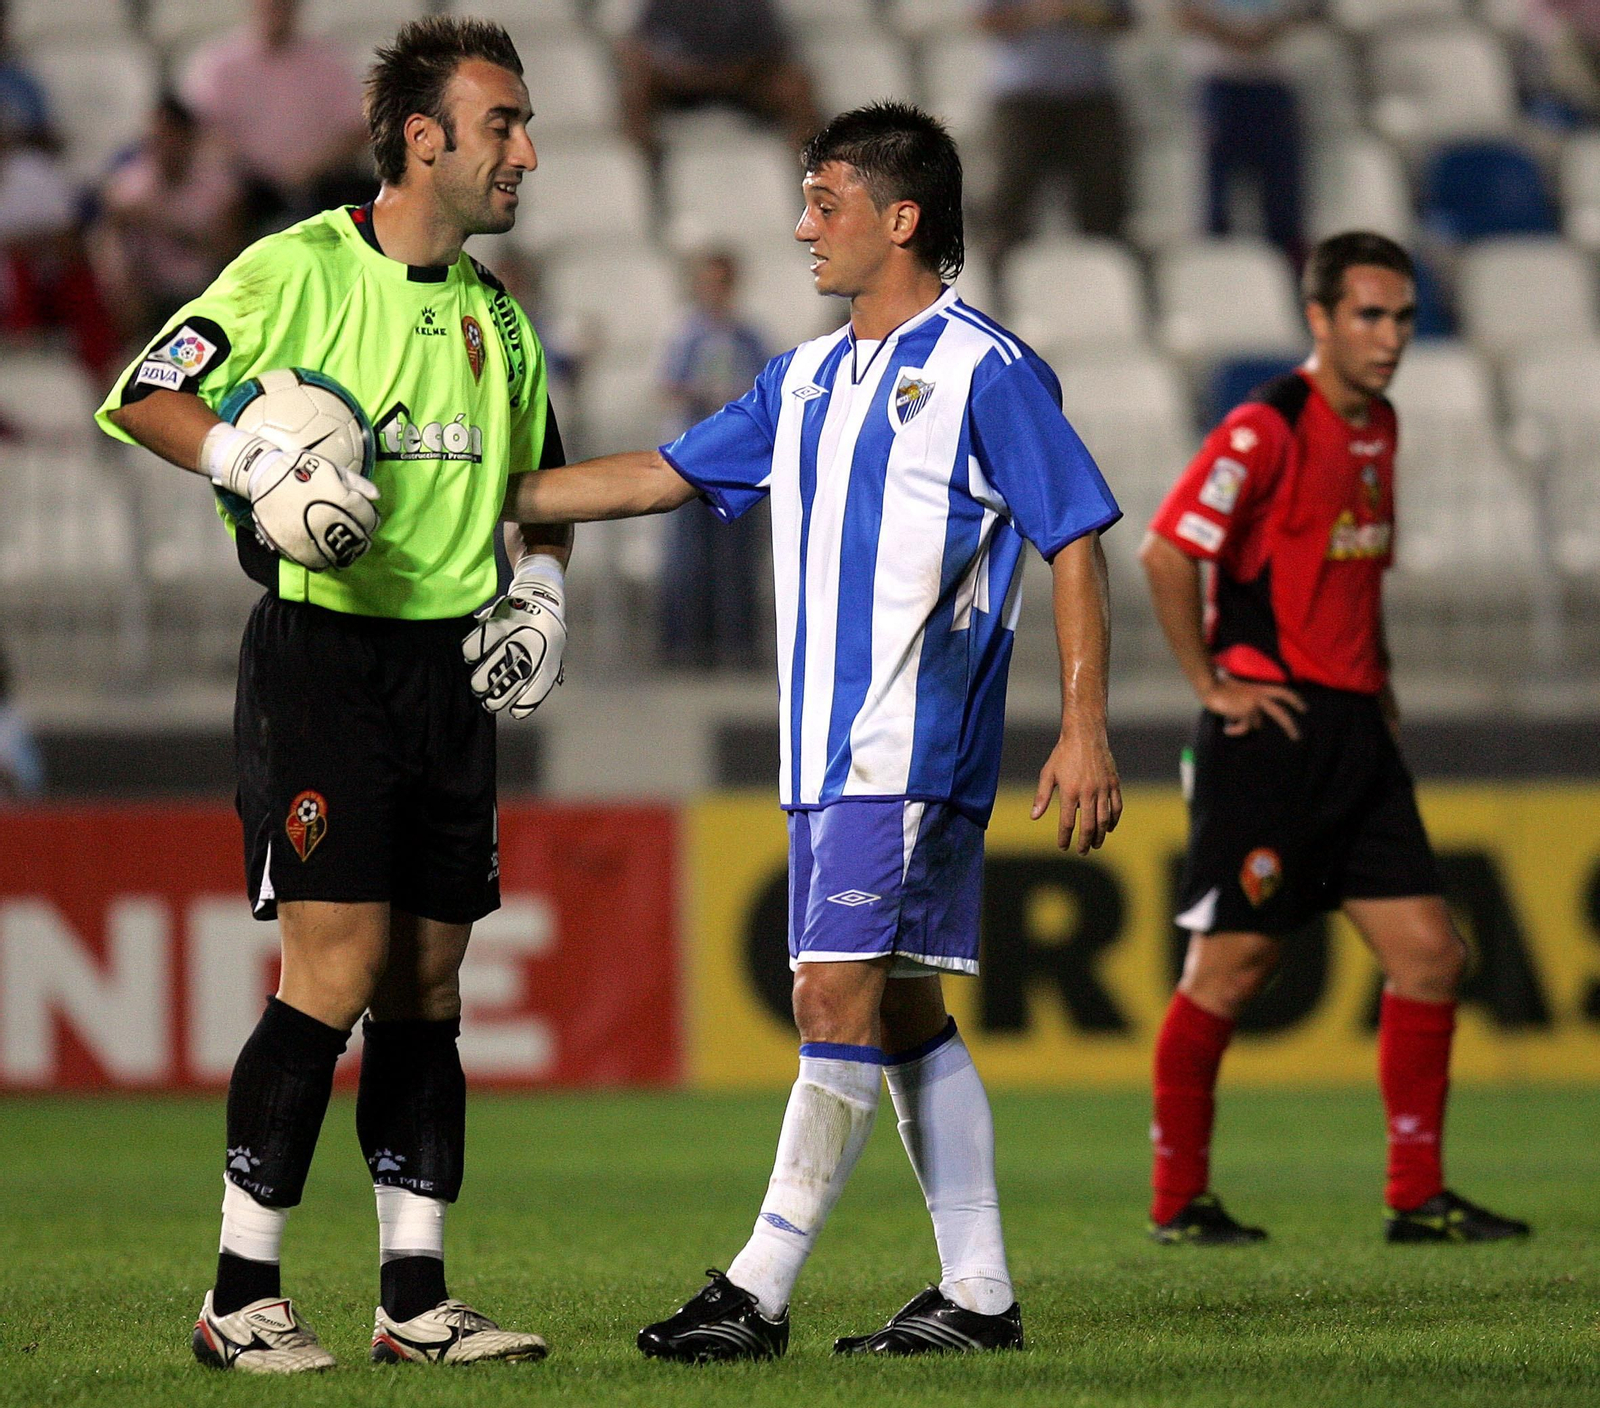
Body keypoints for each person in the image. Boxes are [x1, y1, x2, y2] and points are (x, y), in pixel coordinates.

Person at [503, 101, 1124, 1360]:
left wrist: (1086, 726)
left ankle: (756, 1289)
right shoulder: (801, 377)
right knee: (893, 1015)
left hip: (909, 741)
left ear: (901, 219)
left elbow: (1073, 534)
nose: (802, 227)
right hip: (827, 755)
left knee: (828, 992)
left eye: (825, 202)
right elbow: (657, 474)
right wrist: (471, 491)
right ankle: (980, 1292)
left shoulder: (983, 371)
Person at [94, 16, 570, 1372]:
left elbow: (538, 488)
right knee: (339, 969)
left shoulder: (498, 317)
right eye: (503, 126)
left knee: (429, 983)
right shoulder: (295, 269)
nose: (525, 153)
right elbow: (150, 393)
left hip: (447, 671)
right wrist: (251, 456)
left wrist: (540, 590)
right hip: (323, 662)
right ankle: (238, 1294)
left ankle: (414, 1303)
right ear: (424, 138)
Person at [1138, 231, 1531, 1247]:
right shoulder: (1262, 428)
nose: (1390, 336)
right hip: (1271, 730)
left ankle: (1417, 1194)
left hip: (1357, 727)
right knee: (1229, 971)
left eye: (1401, 316)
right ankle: (1178, 1201)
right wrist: (1210, 683)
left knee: (1432, 954)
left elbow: (1354, 577)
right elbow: (1167, 550)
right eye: (1369, 315)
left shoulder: (1381, 427)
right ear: (1318, 319)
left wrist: (1382, 684)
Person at [657, 248, 769, 670]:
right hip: (692, 461)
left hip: (737, 467)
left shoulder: (749, 336)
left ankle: (738, 644)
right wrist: (701, 393)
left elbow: (765, 391)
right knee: (688, 556)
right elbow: (666, 386)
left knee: (737, 558)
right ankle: (684, 645)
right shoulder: (684, 334)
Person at [181, 0, 370, 229]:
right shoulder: (218, 64)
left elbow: (356, 130)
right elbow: (201, 130)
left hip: (318, 193)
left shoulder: (329, 63)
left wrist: (306, 171)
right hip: (243, 197)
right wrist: (255, 172)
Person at [979, 0, 1134, 265]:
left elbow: (1124, 21)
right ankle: (999, 280)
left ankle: (1104, 278)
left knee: (1102, 200)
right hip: (1024, 97)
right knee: (1012, 198)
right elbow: (986, 21)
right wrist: (1039, 13)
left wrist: (1082, 13)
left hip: (1089, 95)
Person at [92, 95, 245, 351]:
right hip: (151, 299)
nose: (164, 146)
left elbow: (229, 250)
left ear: (190, 139)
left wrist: (157, 222)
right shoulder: (129, 185)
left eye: (172, 137)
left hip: (208, 294)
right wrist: (124, 289)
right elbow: (111, 247)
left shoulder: (220, 185)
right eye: (157, 138)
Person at [616, 0, 821, 171]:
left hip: (743, 82)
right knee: (637, 78)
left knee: (795, 85)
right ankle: (642, 169)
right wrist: (689, 73)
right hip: (678, 83)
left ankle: (807, 169)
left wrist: (727, 73)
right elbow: (647, 45)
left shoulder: (754, 5)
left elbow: (771, 48)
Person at [1176, 0, 1310, 260]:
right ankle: (1221, 278)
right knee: (1217, 204)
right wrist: (1245, 38)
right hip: (1220, 85)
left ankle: (1290, 280)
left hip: (1273, 83)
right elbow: (1184, 15)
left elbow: (1300, 13)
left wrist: (1249, 37)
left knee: (1283, 205)